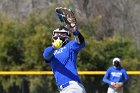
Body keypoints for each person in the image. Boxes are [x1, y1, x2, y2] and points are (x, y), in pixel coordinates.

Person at [43, 24, 86, 93]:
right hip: (64, 89)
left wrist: (75, 31)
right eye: (57, 33)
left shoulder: (70, 46)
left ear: (67, 36)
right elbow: (46, 56)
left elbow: (81, 42)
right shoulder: (51, 50)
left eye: (62, 33)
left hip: (72, 86)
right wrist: (54, 47)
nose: (59, 35)